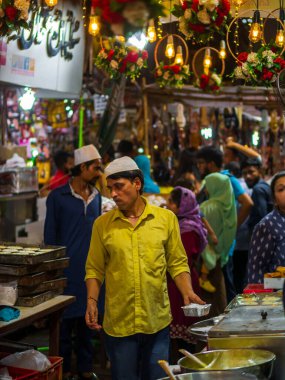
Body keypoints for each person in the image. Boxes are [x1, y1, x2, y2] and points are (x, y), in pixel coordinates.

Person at [85, 156, 204, 380]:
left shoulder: (166, 219)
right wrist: (91, 301)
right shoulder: (102, 225)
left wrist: (187, 292)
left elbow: (177, 262)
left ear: (137, 183)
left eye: (119, 187)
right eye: (110, 189)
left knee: (158, 377)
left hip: (156, 321)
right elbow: (94, 269)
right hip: (120, 324)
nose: (113, 194)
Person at [44, 144, 102, 380]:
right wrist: (52, 272)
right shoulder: (58, 197)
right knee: (65, 326)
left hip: (92, 271)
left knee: (88, 323)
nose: (99, 172)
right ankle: (64, 369)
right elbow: (50, 237)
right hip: (67, 270)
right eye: (95, 167)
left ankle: (85, 368)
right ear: (82, 168)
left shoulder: (99, 197)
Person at [196, 146, 253, 302]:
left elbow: (247, 203)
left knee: (226, 285)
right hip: (212, 242)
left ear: (212, 164)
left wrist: (232, 227)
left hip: (223, 242)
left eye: (202, 163)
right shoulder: (210, 181)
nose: (199, 167)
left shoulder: (226, 179)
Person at [166, 186, 207, 357]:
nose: (167, 205)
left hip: (180, 284)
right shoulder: (184, 224)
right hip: (179, 281)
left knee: (183, 337)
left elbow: (183, 260)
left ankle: (183, 368)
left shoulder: (187, 230)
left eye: (171, 202)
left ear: (181, 206)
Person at [199, 173, 237, 317]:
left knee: (210, 300)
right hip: (221, 254)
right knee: (221, 295)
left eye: (207, 185)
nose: (205, 190)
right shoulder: (229, 206)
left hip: (208, 257)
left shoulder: (208, 207)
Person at [247, 171, 285, 283]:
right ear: (274, 199)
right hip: (277, 295)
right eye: (281, 189)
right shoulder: (267, 225)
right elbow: (256, 270)